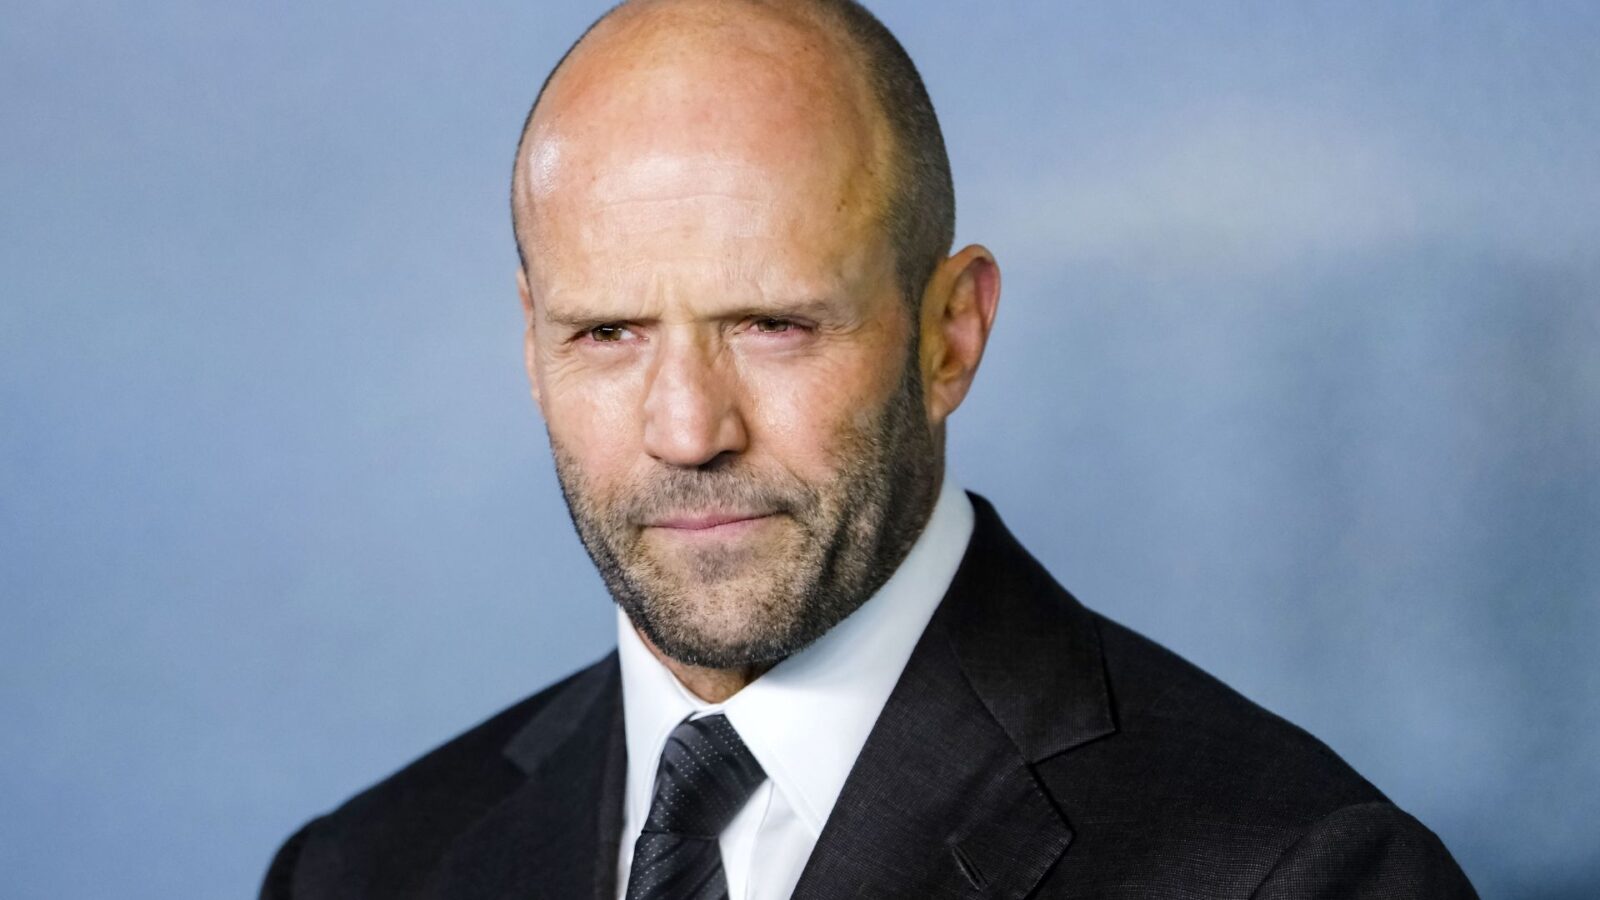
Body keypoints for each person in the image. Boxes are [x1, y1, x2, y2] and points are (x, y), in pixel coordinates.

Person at [262, 1, 1477, 897]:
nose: (686, 430)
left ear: (951, 335)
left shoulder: (1298, 875)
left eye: (773, 325)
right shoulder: (359, 871)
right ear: (533, 348)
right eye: (608, 333)